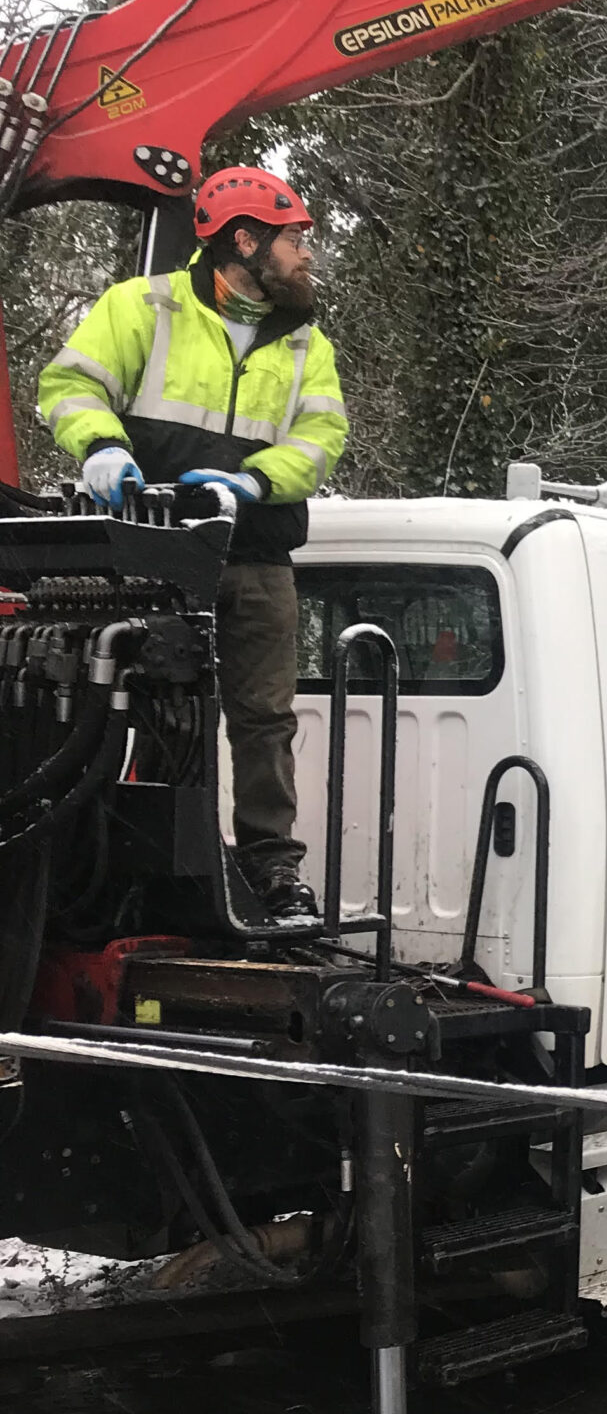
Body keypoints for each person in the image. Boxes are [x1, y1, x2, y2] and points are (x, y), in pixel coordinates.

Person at [37, 165, 349, 922]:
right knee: (152, 711)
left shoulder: (306, 343)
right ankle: (137, 867)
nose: (305, 254)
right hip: (157, 558)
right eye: (292, 239)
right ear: (243, 242)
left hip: (257, 558)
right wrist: (102, 446)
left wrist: (256, 480)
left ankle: (272, 873)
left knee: (264, 720)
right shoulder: (143, 308)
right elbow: (69, 386)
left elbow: (322, 437)